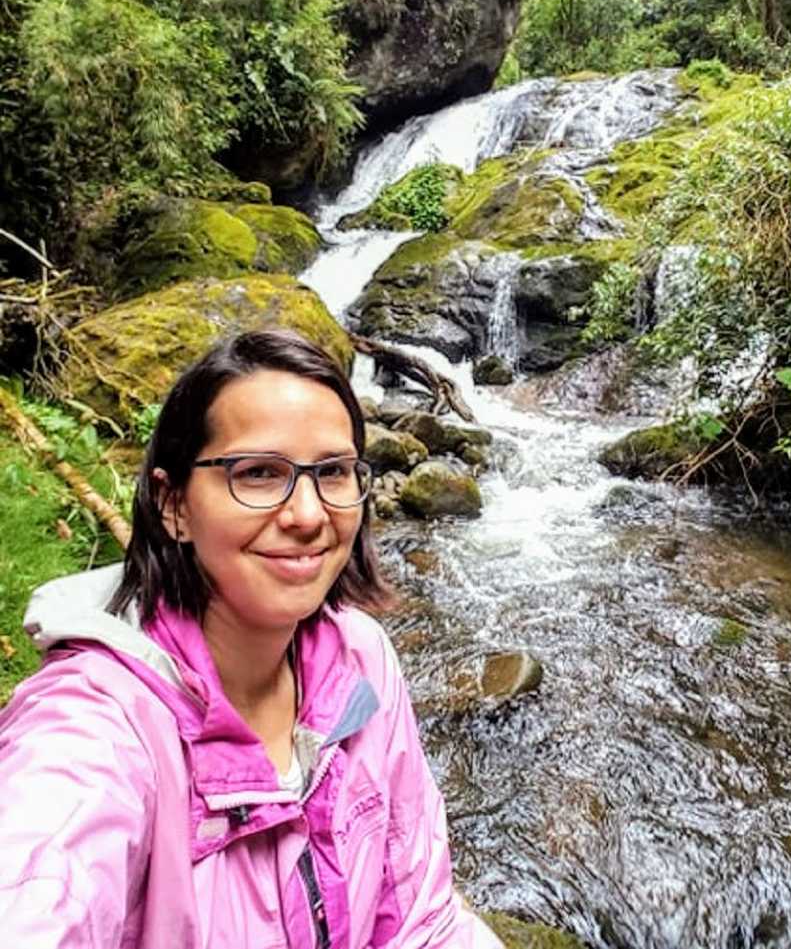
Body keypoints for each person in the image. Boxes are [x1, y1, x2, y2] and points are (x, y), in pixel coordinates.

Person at [0, 329, 502, 949]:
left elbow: (422, 921)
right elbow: (38, 881)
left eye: (333, 472)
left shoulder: (361, 659)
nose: (309, 515)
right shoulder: (96, 727)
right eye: (259, 474)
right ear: (173, 504)